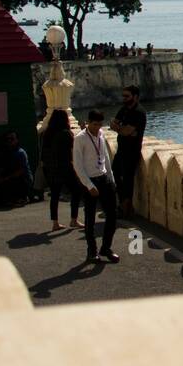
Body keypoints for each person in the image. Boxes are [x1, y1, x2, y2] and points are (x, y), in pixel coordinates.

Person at [73, 110, 119, 264]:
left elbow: (105, 157)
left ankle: (106, 248)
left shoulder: (100, 134)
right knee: (90, 218)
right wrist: (89, 185)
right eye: (94, 124)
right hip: (90, 181)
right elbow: (78, 165)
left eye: (100, 124)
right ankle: (91, 251)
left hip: (104, 178)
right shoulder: (80, 139)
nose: (97, 127)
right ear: (88, 122)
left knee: (112, 216)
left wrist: (111, 179)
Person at [41, 110, 83, 231]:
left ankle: (55, 223)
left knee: (54, 195)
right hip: (65, 167)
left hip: (51, 169)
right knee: (76, 191)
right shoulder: (66, 133)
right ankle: (73, 219)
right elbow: (73, 151)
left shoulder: (47, 133)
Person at [110, 85, 146, 218]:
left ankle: (127, 207)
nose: (124, 99)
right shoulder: (124, 109)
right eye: (123, 96)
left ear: (135, 97)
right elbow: (113, 124)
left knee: (128, 179)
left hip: (132, 151)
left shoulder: (139, 112)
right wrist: (123, 129)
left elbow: (125, 130)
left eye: (127, 96)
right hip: (121, 150)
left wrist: (120, 128)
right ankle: (123, 203)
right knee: (116, 173)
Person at [0, 132, 35, 207]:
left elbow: (21, 171)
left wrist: (5, 179)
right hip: (11, 177)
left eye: (12, 139)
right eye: (7, 139)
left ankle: (23, 197)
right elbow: (2, 168)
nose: (9, 141)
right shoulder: (6, 153)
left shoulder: (20, 152)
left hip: (23, 179)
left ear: (17, 140)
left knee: (15, 180)